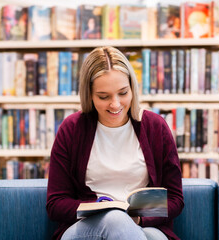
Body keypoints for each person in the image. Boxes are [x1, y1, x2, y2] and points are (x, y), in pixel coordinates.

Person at [46, 46, 184, 240]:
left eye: (123, 93)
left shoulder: (155, 127)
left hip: (142, 226)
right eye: (104, 97)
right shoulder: (72, 129)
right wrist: (99, 209)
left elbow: (175, 199)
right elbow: (55, 204)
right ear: (90, 95)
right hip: (85, 229)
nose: (116, 104)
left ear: (132, 88)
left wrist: (136, 220)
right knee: (115, 220)